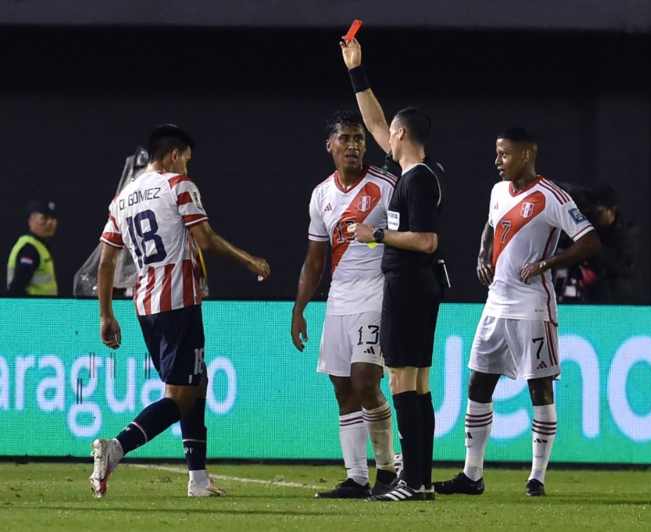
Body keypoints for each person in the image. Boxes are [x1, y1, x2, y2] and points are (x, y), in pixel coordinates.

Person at [89, 124, 271, 498]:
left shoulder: (123, 198)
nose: (188, 166)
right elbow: (205, 238)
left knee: (196, 382)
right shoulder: (178, 186)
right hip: (179, 301)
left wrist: (106, 314)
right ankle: (116, 448)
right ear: (173, 155)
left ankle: (198, 479)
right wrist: (249, 260)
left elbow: (107, 262)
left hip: (146, 305)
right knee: (181, 396)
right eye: (186, 158)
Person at [434, 127, 600, 497]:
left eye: (504, 154)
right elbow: (490, 225)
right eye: (497, 153)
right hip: (496, 304)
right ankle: (472, 474)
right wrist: (481, 255)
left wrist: (548, 263)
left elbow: (590, 241)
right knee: (479, 382)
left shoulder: (552, 196)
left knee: (538, 386)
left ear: (527, 154)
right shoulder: (497, 192)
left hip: (532, 308)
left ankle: (537, 477)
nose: (497, 161)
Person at [341, 37, 445, 502]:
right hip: (416, 287)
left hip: (410, 285)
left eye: (392, 133)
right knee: (417, 383)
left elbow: (426, 241)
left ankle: (412, 479)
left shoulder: (418, 179)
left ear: (403, 136)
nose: (385, 137)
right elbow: (375, 121)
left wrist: (375, 234)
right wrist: (357, 72)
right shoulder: (414, 173)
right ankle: (419, 481)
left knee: (404, 380)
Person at [291, 110, 398, 498]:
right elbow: (315, 258)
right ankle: (356, 477)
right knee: (342, 389)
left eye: (359, 139)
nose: (353, 145)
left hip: (376, 294)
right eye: (346, 139)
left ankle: (389, 469)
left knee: (366, 382)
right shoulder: (321, 194)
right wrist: (299, 309)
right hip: (338, 300)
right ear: (330, 146)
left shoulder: (387, 186)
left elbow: (408, 239)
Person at [6, 200, 59, 296]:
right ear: (31, 220)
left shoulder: (40, 245)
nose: (50, 222)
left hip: (42, 308)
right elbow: (16, 289)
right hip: (32, 309)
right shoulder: (29, 249)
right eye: (44, 218)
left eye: (53, 218)